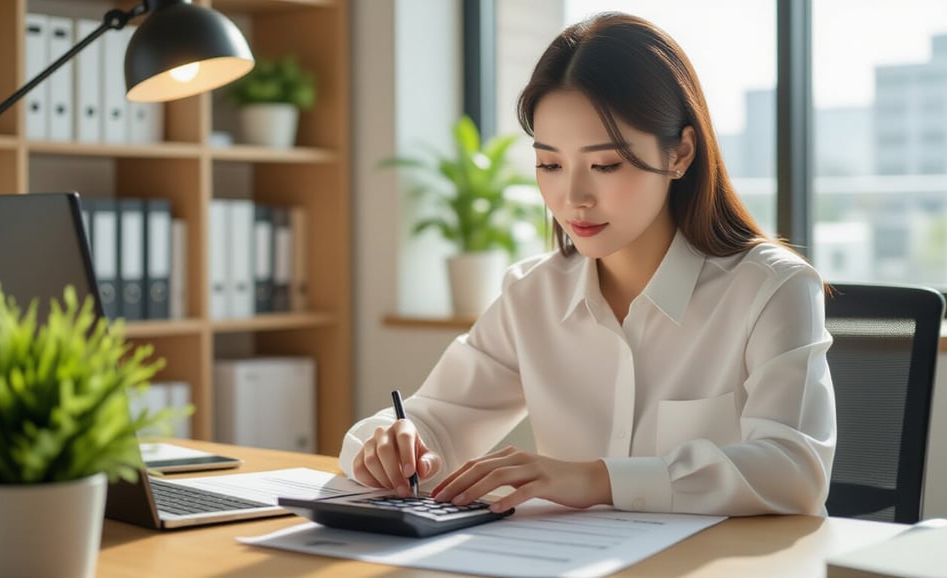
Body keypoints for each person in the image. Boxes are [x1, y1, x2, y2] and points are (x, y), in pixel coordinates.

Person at [339, 11, 835, 517]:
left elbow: (794, 471)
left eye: (605, 165)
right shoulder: (533, 294)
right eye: (550, 165)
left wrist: (596, 479)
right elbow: (438, 419)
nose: (573, 196)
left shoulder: (773, 288)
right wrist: (387, 447)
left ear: (680, 152)